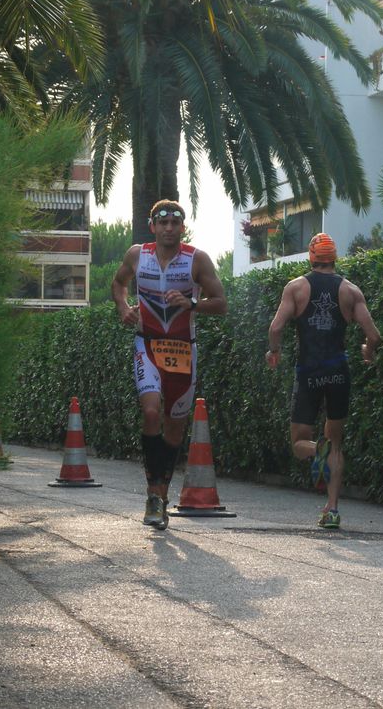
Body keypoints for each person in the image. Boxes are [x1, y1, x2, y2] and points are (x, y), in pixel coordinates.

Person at [112, 199, 227, 530]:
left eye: (174, 223)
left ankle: (161, 496)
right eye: (162, 222)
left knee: (174, 425)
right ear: (153, 226)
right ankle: (152, 494)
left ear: (182, 227)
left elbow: (221, 304)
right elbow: (119, 283)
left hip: (183, 350)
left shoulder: (197, 259)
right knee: (150, 412)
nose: (168, 228)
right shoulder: (138, 255)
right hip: (146, 344)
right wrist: (123, 308)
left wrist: (191, 303)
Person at [266, 232, 381, 529]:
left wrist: (274, 352)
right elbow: (374, 335)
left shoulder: (296, 288)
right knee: (336, 442)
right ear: (335, 258)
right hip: (338, 372)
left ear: (311, 257)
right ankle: (332, 509)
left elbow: (276, 327)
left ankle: (317, 450)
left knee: (298, 443)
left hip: (308, 373)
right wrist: (368, 351)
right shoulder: (351, 291)